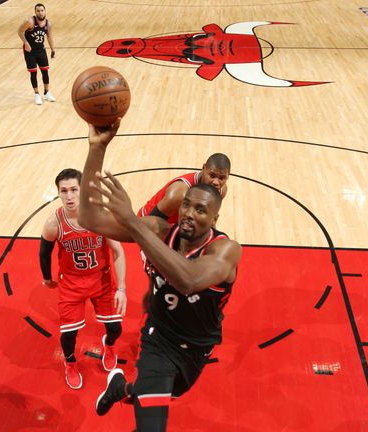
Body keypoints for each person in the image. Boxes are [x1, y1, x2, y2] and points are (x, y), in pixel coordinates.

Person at [78, 120, 241, 431]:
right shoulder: (159, 228)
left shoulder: (226, 251)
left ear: (216, 217)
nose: (190, 213)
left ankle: (120, 389)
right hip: (159, 340)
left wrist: (133, 223)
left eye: (201, 210)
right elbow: (88, 217)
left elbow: (189, 280)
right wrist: (97, 148)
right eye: (187, 206)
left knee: (171, 390)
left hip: (197, 346)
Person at [39, 168, 127, 390]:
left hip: (101, 280)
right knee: (68, 335)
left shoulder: (100, 217)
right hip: (71, 283)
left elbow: (118, 251)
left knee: (116, 329)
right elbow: (44, 252)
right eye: (64, 191)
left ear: (83, 190)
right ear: (58, 192)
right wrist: (47, 278)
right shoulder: (53, 223)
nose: (69, 196)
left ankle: (109, 344)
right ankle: (70, 363)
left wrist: (122, 288)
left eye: (74, 190)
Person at [137, 154, 230, 224]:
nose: (216, 182)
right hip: (149, 221)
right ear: (203, 168)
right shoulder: (180, 192)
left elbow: (208, 220)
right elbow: (150, 224)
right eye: (212, 175)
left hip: (179, 225)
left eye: (222, 178)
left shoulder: (221, 191)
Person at [17, 3, 55, 105]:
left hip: (41, 50)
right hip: (30, 52)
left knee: (45, 72)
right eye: (38, 11)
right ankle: (37, 94)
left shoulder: (48, 24)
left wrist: (52, 50)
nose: (40, 12)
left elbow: (49, 37)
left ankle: (46, 93)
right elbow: (20, 31)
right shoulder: (30, 22)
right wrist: (26, 43)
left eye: (42, 10)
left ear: (45, 11)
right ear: (35, 12)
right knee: (33, 73)